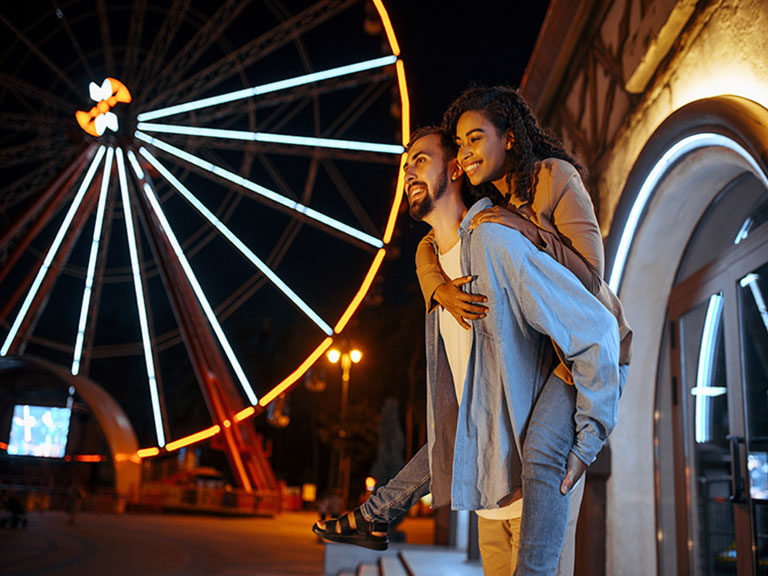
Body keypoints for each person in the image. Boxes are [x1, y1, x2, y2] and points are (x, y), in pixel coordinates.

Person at [316, 127, 623, 575]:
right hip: (490, 501)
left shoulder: (496, 241)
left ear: (456, 168)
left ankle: (373, 513)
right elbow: (463, 407)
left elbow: (595, 327)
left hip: (538, 492)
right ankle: (373, 514)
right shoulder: (435, 269)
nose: (408, 172)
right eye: (405, 166)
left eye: (420, 160)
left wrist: (587, 442)